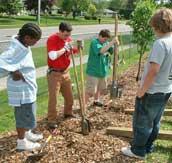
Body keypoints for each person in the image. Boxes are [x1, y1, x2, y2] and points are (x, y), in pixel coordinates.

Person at [121, 8, 172, 159]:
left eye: (153, 26)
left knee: (142, 123)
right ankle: (148, 146)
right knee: (156, 121)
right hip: (166, 89)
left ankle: (138, 151)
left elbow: (153, 71)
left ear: (157, 26)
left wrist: (142, 90)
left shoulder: (160, 44)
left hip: (152, 91)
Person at [0, 23, 43, 151]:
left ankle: (27, 134)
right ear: (27, 37)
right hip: (21, 91)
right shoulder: (15, 49)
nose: (35, 43)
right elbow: (2, 62)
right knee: (22, 116)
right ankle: (21, 142)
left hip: (28, 88)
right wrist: (13, 71)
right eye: (35, 40)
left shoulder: (23, 44)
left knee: (28, 114)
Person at [46, 22, 78, 129]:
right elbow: (52, 56)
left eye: (69, 35)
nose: (67, 37)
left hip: (65, 72)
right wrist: (65, 48)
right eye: (65, 35)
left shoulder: (67, 40)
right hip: (54, 74)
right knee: (53, 98)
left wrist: (77, 48)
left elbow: (71, 51)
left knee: (70, 96)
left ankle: (68, 113)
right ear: (60, 31)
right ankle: (51, 120)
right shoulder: (52, 39)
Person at [85, 29, 119, 107]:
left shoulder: (106, 43)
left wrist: (116, 44)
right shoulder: (94, 42)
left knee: (99, 88)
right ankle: (83, 106)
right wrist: (112, 42)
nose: (105, 41)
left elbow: (111, 51)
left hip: (102, 71)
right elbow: (101, 51)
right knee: (90, 91)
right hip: (93, 71)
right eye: (104, 39)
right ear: (100, 36)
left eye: (107, 39)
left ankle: (96, 101)